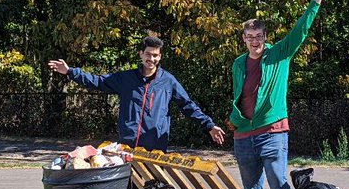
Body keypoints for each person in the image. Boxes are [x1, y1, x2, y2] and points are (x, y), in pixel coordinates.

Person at [230, 0, 335, 189]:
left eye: (258, 36)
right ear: (244, 39)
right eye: (250, 37)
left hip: (272, 132)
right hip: (244, 135)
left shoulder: (279, 54)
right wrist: (235, 120)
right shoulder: (238, 63)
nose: (254, 41)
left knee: (279, 188)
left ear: (265, 37)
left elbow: (300, 31)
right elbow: (241, 95)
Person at [48, 35, 226, 152]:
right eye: (148, 54)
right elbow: (98, 82)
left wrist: (209, 125)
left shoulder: (168, 81)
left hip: (156, 145)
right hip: (128, 144)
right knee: (131, 186)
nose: (152, 59)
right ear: (141, 54)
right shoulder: (126, 79)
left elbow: (187, 105)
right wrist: (71, 71)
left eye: (156, 55)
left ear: (160, 56)